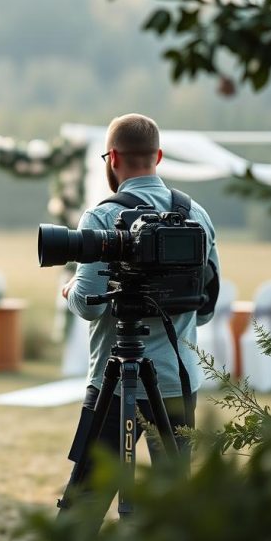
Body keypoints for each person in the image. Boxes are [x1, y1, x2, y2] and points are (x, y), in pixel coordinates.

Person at [61, 113, 220, 518]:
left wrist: (69, 291)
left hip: (114, 383)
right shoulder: (196, 214)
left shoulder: (101, 218)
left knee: (87, 503)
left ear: (112, 158)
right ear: (159, 157)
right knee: (172, 506)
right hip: (176, 379)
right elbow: (204, 307)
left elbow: (88, 304)